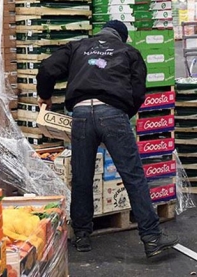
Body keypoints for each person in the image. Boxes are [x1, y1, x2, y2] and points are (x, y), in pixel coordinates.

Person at [36, 20, 179, 257]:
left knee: (82, 176)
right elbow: (138, 91)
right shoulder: (129, 52)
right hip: (112, 113)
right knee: (133, 176)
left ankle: (82, 235)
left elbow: (47, 69)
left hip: (80, 114)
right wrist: (121, 115)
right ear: (121, 37)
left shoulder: (78, 47)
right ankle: (152, 239)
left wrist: (45, 96)